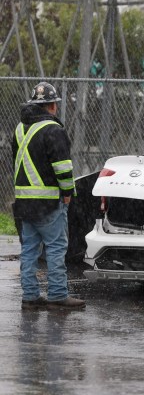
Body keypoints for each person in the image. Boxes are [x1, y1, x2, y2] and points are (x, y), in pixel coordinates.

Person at [12, 82, 85, 310]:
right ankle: (57, 296)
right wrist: (67, 193)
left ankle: (31, 297)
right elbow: (63, 168)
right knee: (55, 248)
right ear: (52, 106)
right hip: (48, 203)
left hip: (24, 202)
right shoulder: (53, 130)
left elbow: (13, 163)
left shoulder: (19, 129)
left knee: (30, 250)